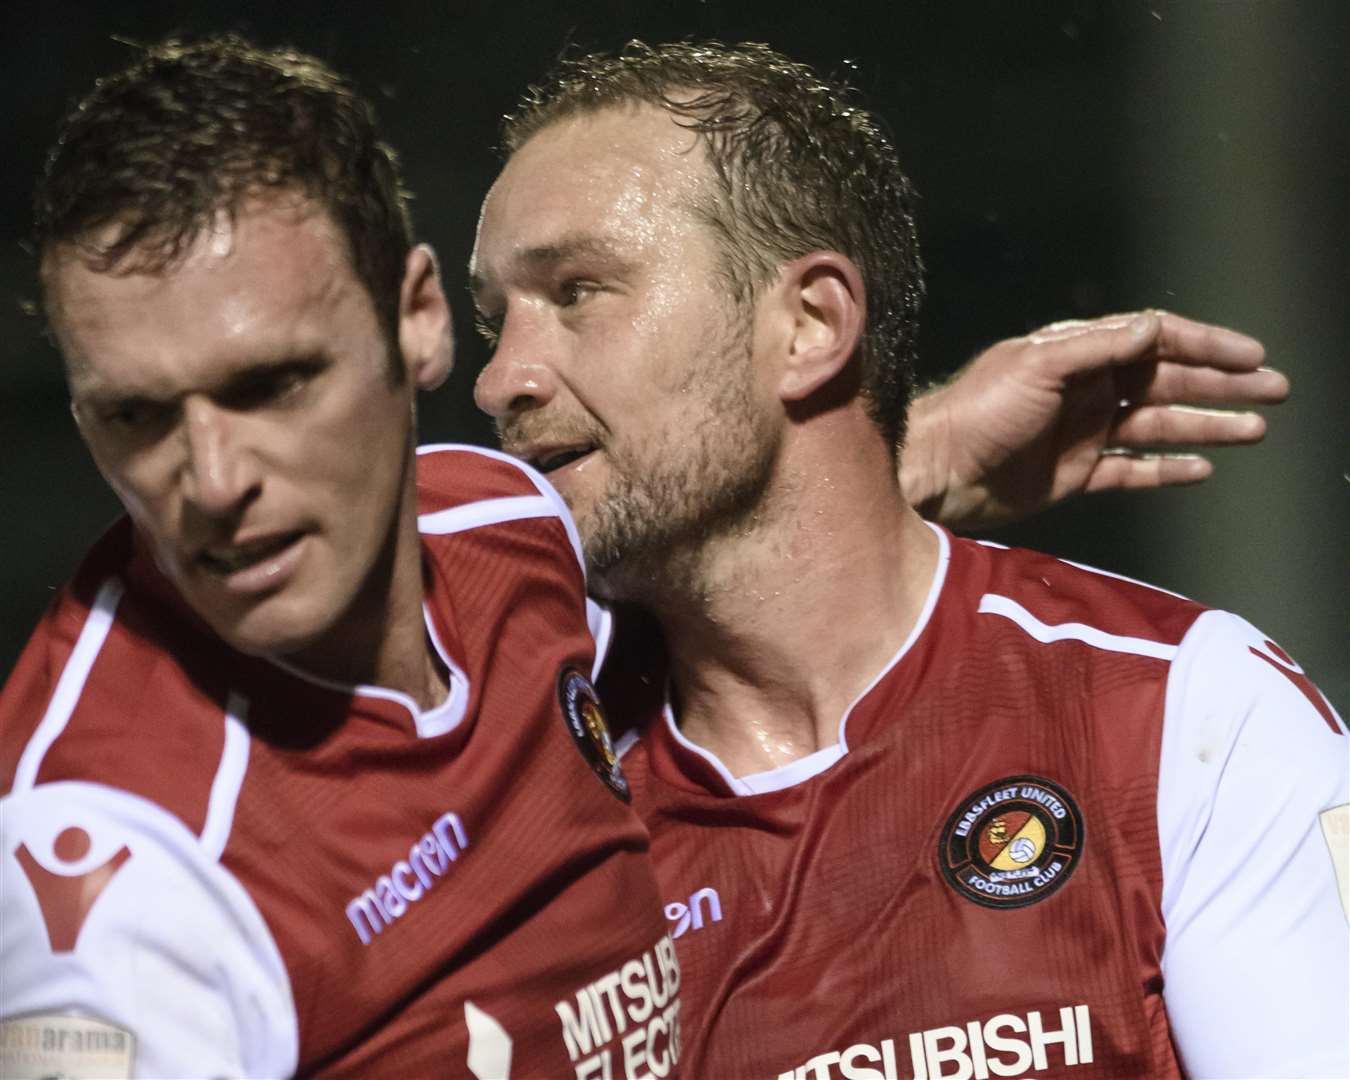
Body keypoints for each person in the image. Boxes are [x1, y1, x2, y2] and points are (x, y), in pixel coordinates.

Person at [470, 40, 1349, 1079]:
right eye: (496, 320)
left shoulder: (1176, 711)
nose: (500, 380)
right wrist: (903, 452)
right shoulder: (513, 799)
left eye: (577, 291)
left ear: (811, 323)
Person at [0, 37, 683, 1079]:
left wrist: (924, 442)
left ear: (417, 321)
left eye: (272, 384)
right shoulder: (116, 883)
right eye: (136, 415)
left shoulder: (499, 520)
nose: (215, 481)